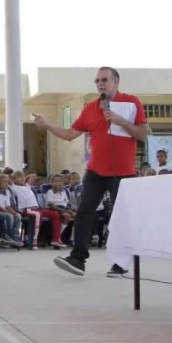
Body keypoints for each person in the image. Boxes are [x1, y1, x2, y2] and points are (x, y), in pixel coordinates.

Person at [34, 66, 149, 277]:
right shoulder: (90, 109)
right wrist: (47, 124)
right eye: (97, 81)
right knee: (85, 213)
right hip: (96, 171)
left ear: (116, 81)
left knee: (121, 218)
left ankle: (120, 263)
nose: (100, 84)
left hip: (123, 172)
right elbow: (69, 134)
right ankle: (78, 259)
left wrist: (120, 120)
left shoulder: (131, 102)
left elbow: (143, 134)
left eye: (104, 79)